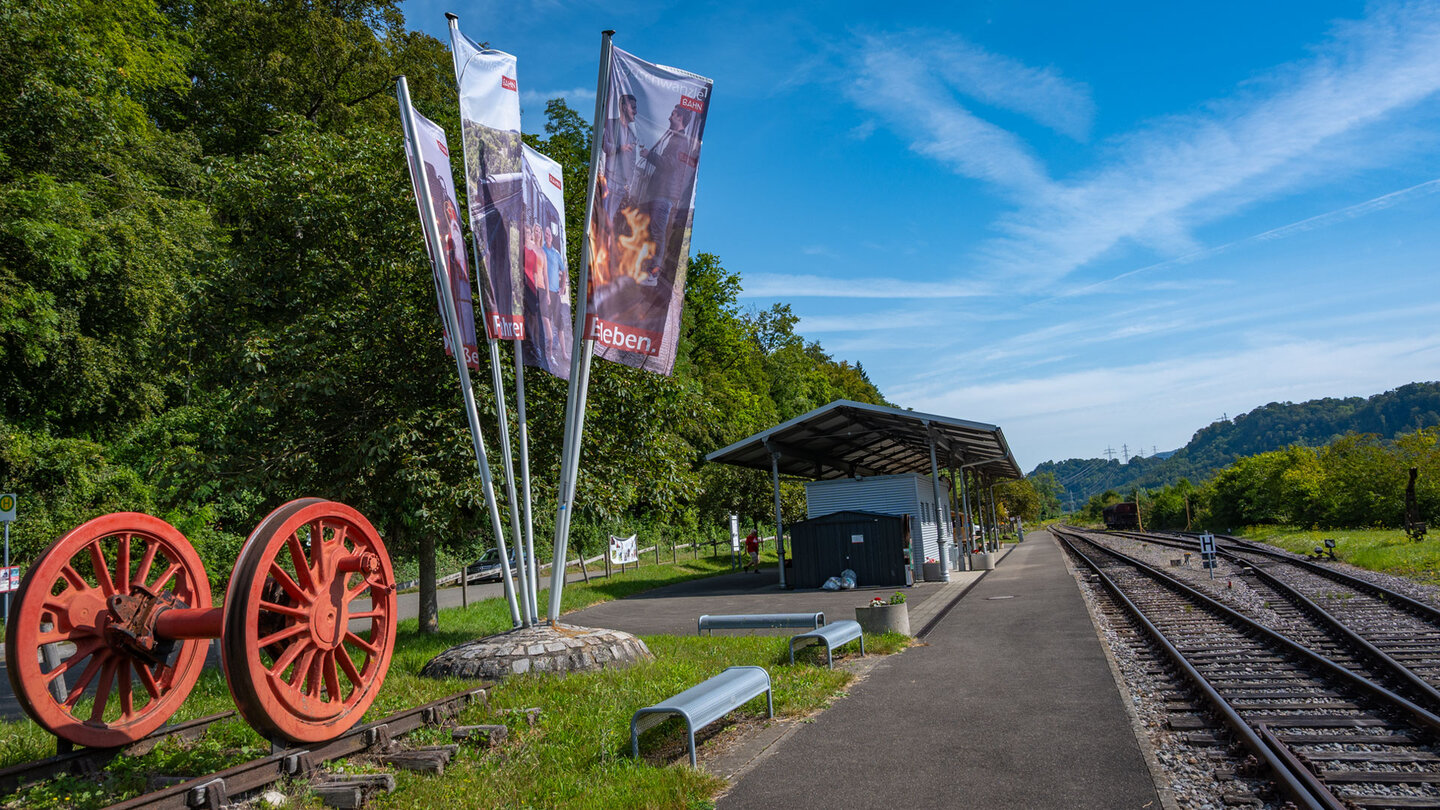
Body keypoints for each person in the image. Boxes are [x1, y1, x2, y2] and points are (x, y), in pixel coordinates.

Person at [636, 104, 696, 287]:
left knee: (657, 232)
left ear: (680, 118)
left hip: (664, 194)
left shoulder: (680, 140)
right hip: (661, 193)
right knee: (652, 231)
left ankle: (653, 273)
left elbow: (670, 164)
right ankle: (648, 269)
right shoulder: (676, 138)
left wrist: (649, 155)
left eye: (673, 114)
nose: (669, 116)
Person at [601, 94, 640, 225]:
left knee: (610, 221)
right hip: (608, 181)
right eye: (633, 108)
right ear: (623, 107)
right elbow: (604, 146)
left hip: (621, 186)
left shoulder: (632, 135)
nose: (635, 112)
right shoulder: (610, 124)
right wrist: (620, 148)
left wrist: (629, 183)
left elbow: (632, 163)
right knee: (602, 219)